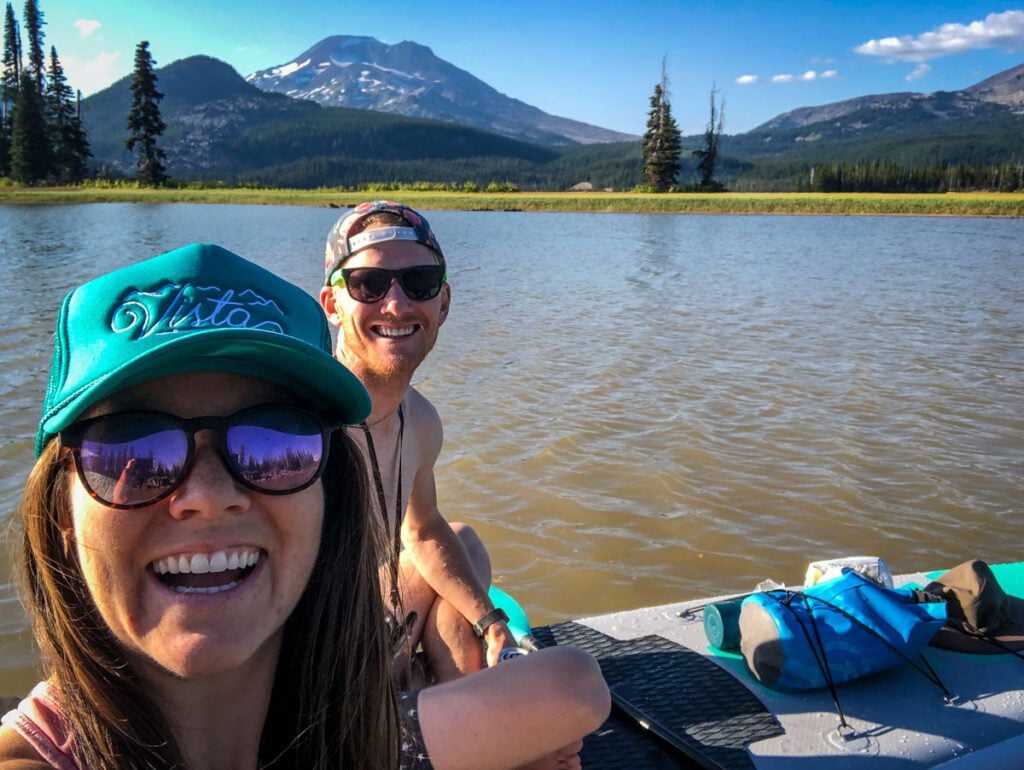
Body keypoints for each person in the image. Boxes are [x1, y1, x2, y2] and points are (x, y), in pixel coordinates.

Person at [0, 242, 610, 770]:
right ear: (59, 520)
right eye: (131, 452)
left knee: (463, 541)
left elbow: (429, 539)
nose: (210, 496)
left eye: (275, 446)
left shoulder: (355, 737)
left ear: (332, 502)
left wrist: (487, 625)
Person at [321, 201, 516, 682]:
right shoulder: (306, 424)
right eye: (368, 283)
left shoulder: (422, 419)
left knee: (462, 542)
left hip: (377, 619)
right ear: (332, 305)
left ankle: (456, 693)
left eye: (419, 283)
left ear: (443, 303)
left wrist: (490, 621)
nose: (396, 304)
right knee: (577, 686)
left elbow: (423, 530)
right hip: (318, 654)